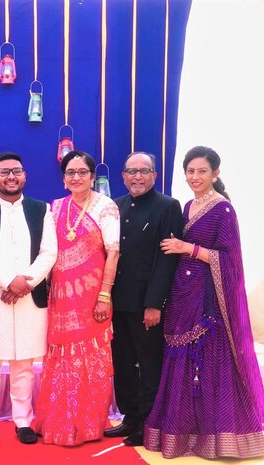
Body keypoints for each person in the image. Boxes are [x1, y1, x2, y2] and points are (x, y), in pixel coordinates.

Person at [144, 146, 264, 458]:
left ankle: (218, 438)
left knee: (209, 361)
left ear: (215, 173)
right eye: (190, 171)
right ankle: (183, 432)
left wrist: (186, 248)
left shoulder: (223, 210)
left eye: (202, 171)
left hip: (208, 300)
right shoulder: (188, 205)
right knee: (180, 359)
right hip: (181, 294)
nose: (195, 177)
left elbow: (230, 260)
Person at [0, 152, 57, 446]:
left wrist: (24, 283)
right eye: (3, 172)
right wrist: (8, 281)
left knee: (24, 365)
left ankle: (22, 421)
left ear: (25, 175)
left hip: (29, 296)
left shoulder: (40, 209)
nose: (10, 177)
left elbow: (49, 253)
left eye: (16, 171)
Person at [35, 151, 120, 445]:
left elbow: (114, 252)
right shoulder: (56, 208)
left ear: (92, 176)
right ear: (63, 178)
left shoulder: (106, 207)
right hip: (61, 298)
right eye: (70, 172)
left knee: (91, 359)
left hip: (93, 296)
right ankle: (57, 420)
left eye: (82, 172)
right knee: (60, 359)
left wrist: (105, 295)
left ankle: (87, 423)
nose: (76, 177)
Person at [103, 151, 183, 447]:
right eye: (131, 171)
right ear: (122, 176)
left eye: (143, 171)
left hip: (145, 303)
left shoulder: (168, 206)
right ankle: (130, 417)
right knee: (122, 362)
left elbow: (167, 260)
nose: (137, 176)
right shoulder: (116, 206)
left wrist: (154, 304)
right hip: (116, 300)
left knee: (148, 363)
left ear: (154, 175)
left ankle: (150, 423)